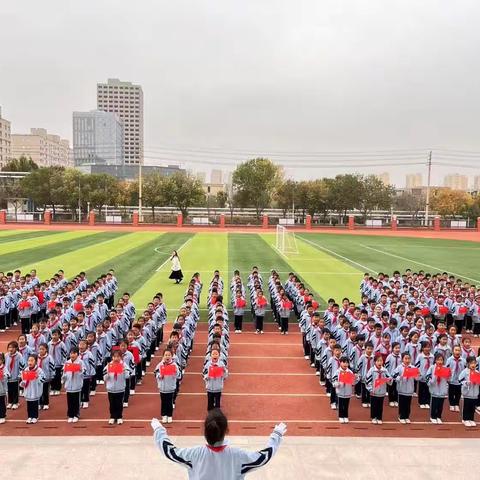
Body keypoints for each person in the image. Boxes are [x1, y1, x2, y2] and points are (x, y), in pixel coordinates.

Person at [152, 409, 286, 479]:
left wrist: (159, 430)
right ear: (226, 430)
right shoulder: (237, 456)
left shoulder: (194, 454)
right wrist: (276, 435)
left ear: (205, 431)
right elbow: (263, 457)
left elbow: (170, 451)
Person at [154, 348, 180, 423]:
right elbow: (155, 372)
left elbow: (179, 376)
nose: (167, 357)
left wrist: (175, 372)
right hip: (162, 387)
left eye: (169, 355)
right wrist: (159, 376)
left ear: (172, 356)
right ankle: (164, 415)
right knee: (163, 402)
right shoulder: (160, 364)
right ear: (163, 356)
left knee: (169, 402)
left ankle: (169, 415)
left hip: (171, 387)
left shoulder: (174, 365)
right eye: (165, 355)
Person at [103, 350, 129, 425]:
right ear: (112, 357)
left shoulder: (124, 365)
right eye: (114, 357)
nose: (116, 358)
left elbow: (127, 376)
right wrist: (107, 374)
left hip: (120, 388)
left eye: (118, 356)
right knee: (112, 404)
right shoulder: (108, 365)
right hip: (110, 389)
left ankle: (119, 417)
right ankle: (112, 417)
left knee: (119, 404)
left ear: (121, 357)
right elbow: (104, 378)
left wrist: (124, 371)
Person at [21, 353, 45, 424]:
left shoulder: (39, 370)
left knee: (34, 404)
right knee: (29, 404)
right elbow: (24, 379)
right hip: (28, 390)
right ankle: (29, 416)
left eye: (32, 361)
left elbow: (43, 379)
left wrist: (38, 377)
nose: (30, 362)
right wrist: (23, 383)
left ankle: (35, 417)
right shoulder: (26, 369)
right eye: (29, 361)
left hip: (35, 390)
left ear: (36, 361)